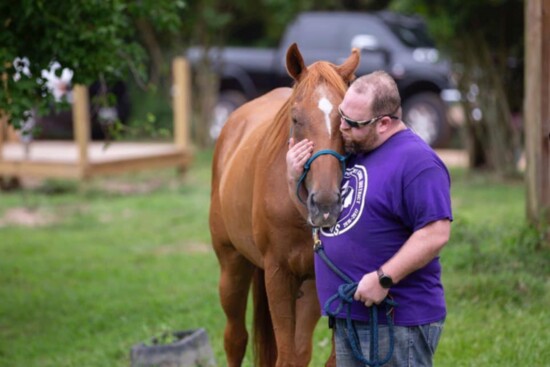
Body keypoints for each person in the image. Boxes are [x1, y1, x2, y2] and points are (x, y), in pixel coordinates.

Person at [286, 70, 452, 366]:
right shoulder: (356, 151)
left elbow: (435, 232)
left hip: (396, 320)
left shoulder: (418, 162)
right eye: (341, 117)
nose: (342, 128)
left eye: (353, 123)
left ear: (384, 123)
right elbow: (321, 224)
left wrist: (383, 278)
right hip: (350, 314)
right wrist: (292, 178)